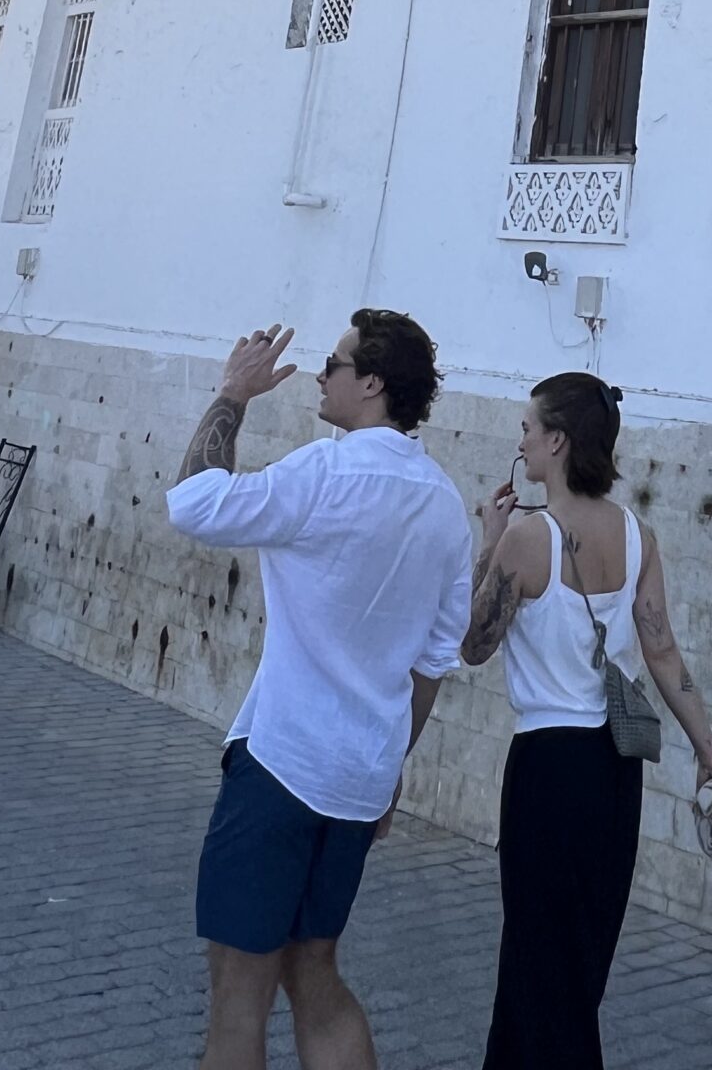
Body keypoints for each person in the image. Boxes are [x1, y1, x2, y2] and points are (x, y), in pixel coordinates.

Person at [168, 311, 472, 1070]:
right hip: (361, 778)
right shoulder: (444, 504)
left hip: (283, 763)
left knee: (239, 991)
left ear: (371, 383)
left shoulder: (324, 472)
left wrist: (233, 394)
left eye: (334, 364)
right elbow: (434, 661)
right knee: (314, 971)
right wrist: (391, 768)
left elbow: (193, 502)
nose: (320, 375)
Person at [462, 373, 712, 1070]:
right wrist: (710, 756)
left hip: (548, 767)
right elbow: (662, 652)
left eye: (528, 428)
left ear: (557, 441)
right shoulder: (638, 535)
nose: (521, 440)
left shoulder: (528, 539)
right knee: (580, 961)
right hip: (614, 769)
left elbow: (474, 644)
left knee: (535, 960)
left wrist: (489, 542)